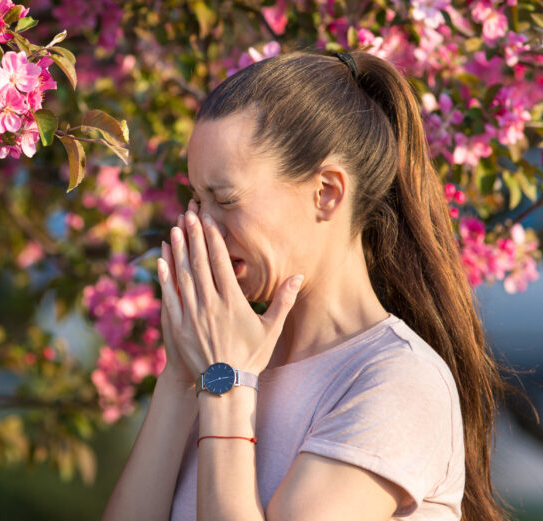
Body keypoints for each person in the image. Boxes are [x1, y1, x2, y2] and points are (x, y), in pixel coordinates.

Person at [101, 49, 529, 521]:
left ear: (326, 193)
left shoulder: (398, 382)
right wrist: (180, 376)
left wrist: (228, 383)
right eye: (197, 199)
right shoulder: (221, 359)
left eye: (225, 199)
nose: (201, 226)